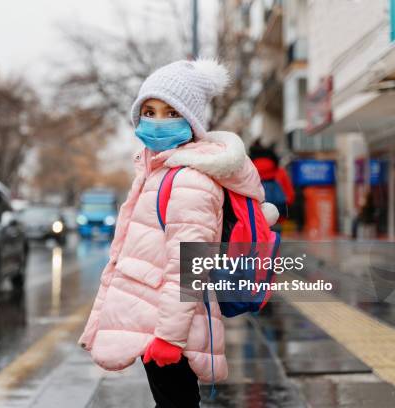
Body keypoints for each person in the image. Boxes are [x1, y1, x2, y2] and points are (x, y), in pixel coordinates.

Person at [78, 59, 277, 407]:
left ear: (193, 121)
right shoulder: (156, 170)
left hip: (170, 327)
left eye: (171, 112)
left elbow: (191, 266)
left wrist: (169, 338)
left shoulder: (188, 179)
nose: (157, 121)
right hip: (156, 320)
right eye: (149, 111)